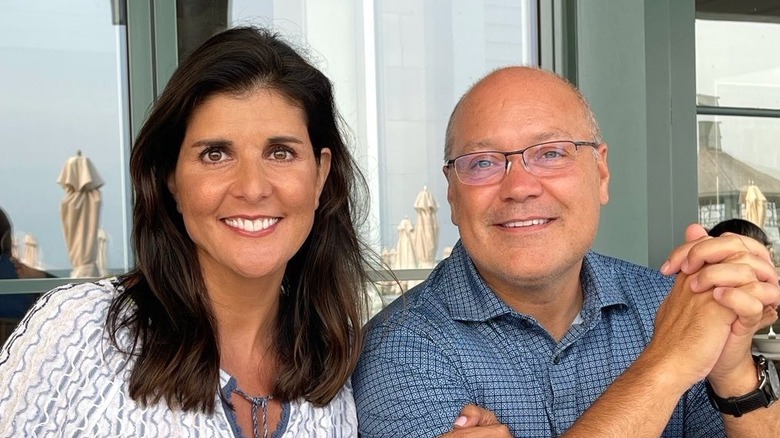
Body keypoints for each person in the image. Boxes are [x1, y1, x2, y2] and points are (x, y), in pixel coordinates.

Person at [353, 66, 780, 437]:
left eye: (551, 153)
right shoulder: (399, 350)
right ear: (452, 194)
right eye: (483, 162)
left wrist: (734, 373)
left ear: (601, 173)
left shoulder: (668, 304)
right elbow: (673, 357)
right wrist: (668, 363)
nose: (520, 187)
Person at [0, 26, 376, 437]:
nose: (252, 188)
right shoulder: (79, 331)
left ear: (320, 176)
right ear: (172, 180)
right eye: (215, 154)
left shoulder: (338, 366)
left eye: (280, 152)